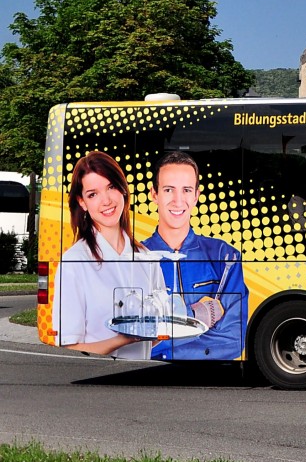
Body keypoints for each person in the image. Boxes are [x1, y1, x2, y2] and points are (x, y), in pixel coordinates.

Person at [53, 150, 166, 358]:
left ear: (123, 190)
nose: (106, 201)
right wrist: (123, 339)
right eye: (93, 194)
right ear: (82, 202)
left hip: (141, 382)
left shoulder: (147, 257)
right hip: (98, 384)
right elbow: (68, 349)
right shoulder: (74, 262)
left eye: (111, 187)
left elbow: (158, 329)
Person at [143, 151, 247, 360]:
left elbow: (233, 341)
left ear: (196, 196)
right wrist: (199, 316)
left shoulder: (224, 257)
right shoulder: (134, 259)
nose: (178, 201)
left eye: (186, 190)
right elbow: (126, 340)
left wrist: (159, 345)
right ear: (154, 194)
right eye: (168, 190)